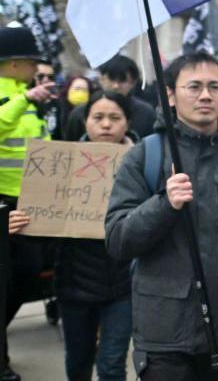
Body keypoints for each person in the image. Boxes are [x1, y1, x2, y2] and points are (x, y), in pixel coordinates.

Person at [105, 51, 218, 380]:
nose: (205, 95)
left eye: (215, 87)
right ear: (171, 95)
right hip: (162, 331)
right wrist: (164, 204)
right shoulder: (145, 155)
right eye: (194, 86)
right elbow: (118, 240)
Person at [57, 91, 136, 381]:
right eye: (98, 117)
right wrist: (22, 224)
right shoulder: (62, 164)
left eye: (115, 118)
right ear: (85, 121)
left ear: (127, 122)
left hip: (124, 284)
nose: (106, 125)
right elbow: (47, 231)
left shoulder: (145, 163)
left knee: (112, 364)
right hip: (74, 284)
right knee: (78, 361)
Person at [0, 26, 57, 381]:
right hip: (4, 203)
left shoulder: (25, 93)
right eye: (31, 61)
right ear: (15, 63)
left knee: (30, 271)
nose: (36, 66)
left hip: (30, 201)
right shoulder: (15, 96)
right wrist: (25, 101)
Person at [65, 55, 156, 141]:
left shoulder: (145, 113)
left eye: (122, 80)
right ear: (101, 79)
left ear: (133, 82)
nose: (116, 86)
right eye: (112, 79)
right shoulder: (80, 112)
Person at [57, 76, 95, 141]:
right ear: (68, 89)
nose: (80, 92)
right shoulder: (58, 107)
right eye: (77, 89)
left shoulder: (91, 112)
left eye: (84, 90)